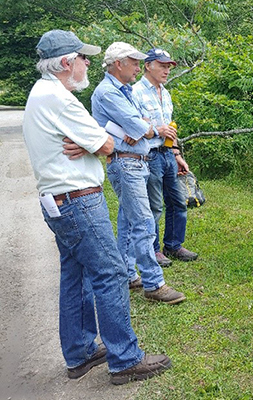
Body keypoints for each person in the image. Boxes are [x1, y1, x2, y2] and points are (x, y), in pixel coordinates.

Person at [22, 29, 171, 384]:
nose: (87, 63)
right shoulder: (59, 98)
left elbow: (99, 137)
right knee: (113, 273)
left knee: (75, 275)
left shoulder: (41, 93)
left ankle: (80, 352)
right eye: (82, 57)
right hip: (78, 200)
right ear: (65, 63)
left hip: (57, 201)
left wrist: (90, 140)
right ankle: (125, 358)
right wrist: (95, 142)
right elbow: (106, 144)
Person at [91, 42, 185, 304]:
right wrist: (151, 129)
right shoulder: (108, 93)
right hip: (126, 162)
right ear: (119, 63)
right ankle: (154, 283)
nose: (136, 68)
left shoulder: (122, 91)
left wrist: (144, 127)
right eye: (134, 62)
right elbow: (137, 125)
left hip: (137, 161)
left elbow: (140, 123)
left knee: (128, 222)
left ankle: (127, 274)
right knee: (144, 222)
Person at [132, 48, 198, 267]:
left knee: (178, 202)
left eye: (169, 66)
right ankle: (153, 250)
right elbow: (131, 127)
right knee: (154, 206)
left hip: (168, 154)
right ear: (148, 65)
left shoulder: (165, 93)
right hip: (149, 155)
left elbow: (170, 128)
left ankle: (173, 245)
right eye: (162, 65)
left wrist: (177, 153)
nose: (167, 70)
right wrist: (156, 129)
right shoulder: (135, 92)